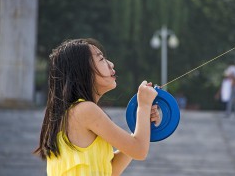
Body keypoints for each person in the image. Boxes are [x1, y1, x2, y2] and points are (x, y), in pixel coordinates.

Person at [33, 38, 160, 176]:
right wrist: (144, 104)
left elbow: (111, 170)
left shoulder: (73, 112)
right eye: (101, 59)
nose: (111, 64)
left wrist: (143, 121)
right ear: (82, 71)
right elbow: (139, 151)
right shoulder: (85, 110)